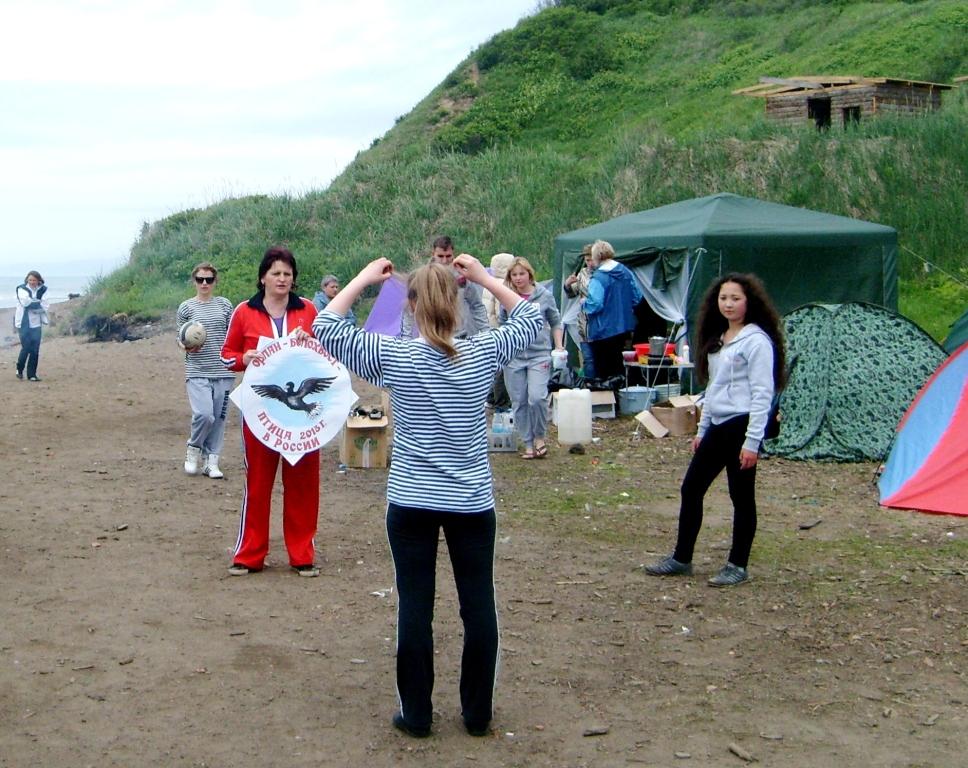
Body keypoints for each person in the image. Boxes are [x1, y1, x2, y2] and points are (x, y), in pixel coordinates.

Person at [313, 253, 541, 739]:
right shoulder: (482, 352)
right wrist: (484, 277)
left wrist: (365, 280)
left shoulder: (394, 356)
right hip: (471, 503)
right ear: (457, 304)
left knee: (415, 607)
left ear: (411, 307)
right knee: (479, 606)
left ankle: (416, 714)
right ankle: (477, 714)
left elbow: (325, 326)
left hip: (411, 501)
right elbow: (532, 316)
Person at [644, 273, 786, 587]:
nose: (729, 304)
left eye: (735, 298)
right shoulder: (719, 338)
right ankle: (682, 558)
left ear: (749, 301)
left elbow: (763, 393)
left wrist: (753, 441)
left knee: (741, 496)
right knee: (691, 488)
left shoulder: (757, 341)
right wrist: (702, 429)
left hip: (741, 424)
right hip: (718, 424)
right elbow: (714, 388)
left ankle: (738, 564)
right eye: (724, 298)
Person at [220, 246, 321, 577]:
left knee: (304, 482)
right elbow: (226, 354)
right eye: (276, 273)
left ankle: (302, 554)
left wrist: (313, 344)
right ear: (263, 276)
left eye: (288, 274)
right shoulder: (244, 312)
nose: (282, 279)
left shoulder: (308, 309)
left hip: (301, 417)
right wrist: (244, 359)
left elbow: (327, 353)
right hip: (260, 413)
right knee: (259, 482)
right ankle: (250, 554)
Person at [499, 256, 565, 459]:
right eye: (514, 275)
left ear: (530, 274)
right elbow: (503, 325)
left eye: (522, 274)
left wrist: (559, 346)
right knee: (519, 401)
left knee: (536, 398)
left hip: (539, 354)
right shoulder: (507, 296)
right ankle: (527, 442)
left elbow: (555, 321)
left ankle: (540, 437)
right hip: (514, 356)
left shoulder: (543, 295)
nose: (519, 278)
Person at [176, 262, 235, 479]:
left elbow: (233, 332)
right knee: (204, 415)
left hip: (223, 370)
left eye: (208, 279)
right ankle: (193, 448)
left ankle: (212, 461)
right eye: (200, 279)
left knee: (219, 418)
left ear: (214, 282)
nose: (204, 283)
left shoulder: (225, 305)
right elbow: (179, 337)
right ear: (194, 281)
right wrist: (187, 345)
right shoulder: (186, 307)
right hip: (197, 369)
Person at [399, 236, 488, 340]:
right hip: (432, 338)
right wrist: (405, 340)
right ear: (433, 254)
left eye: (448, 256)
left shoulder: (462, 276)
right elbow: (409, 310)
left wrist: (486, 332)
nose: (444, 261)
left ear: (453, 254)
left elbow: (476, 305)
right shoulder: (422, 277)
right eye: (440, 256)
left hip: (460, 336)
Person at [583, 239, 642, 382]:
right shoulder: (626, 273)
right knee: (620, 368)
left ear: (596, 257)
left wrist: (584, 303)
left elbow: (595, 304)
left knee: (603, 373)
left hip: (603, 330)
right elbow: (637, 297)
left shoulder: (599, 277)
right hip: (625, 328)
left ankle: (607, 402)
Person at [482, 252, 515, 409]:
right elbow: (499, 311)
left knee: (492, 367)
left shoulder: (488, 283)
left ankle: (490, 398)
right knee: (502, 368)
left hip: (487, 329)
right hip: (498, 331)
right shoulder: (504, 286)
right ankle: (501, 401)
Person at [563, 243, 596, 379]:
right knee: (588, 359)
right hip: (585, 325)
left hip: (603, 324)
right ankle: (590, 387)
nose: (589, 263)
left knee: (603, 359)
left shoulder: (607, 273)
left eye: (591, 259)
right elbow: (572, 293)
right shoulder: (583, 273)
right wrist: (567, 285)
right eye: (587, 260)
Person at [15, 271, 49, 381]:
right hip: (23, 323)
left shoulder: (43, 289)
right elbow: (26, 303)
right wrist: (37, 303)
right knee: (26, 348)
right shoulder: (21, 289)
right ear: (27, 280)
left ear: (38, 280)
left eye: (34, 280)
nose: (32, 282)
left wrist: (35, 304)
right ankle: (19, 369)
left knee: (35, 349)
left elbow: (45, 305)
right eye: (30, 280)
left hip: (37, 324)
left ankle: (32, 375)